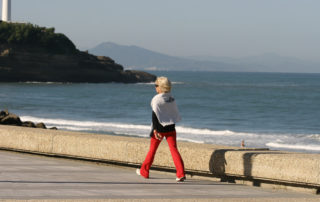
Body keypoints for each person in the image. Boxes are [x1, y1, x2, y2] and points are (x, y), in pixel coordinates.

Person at [136, 76, 186, 182]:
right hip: (171, 128)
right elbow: (174, 113)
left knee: (152, 151)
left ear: (161, 87)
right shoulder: (171, 98)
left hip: (159, 129)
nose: (155, 87)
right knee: (174, 150)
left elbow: (155, 115)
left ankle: (144, 172)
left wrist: (155, 130)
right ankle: (181, 173)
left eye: (156, 85)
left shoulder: (156, 99)